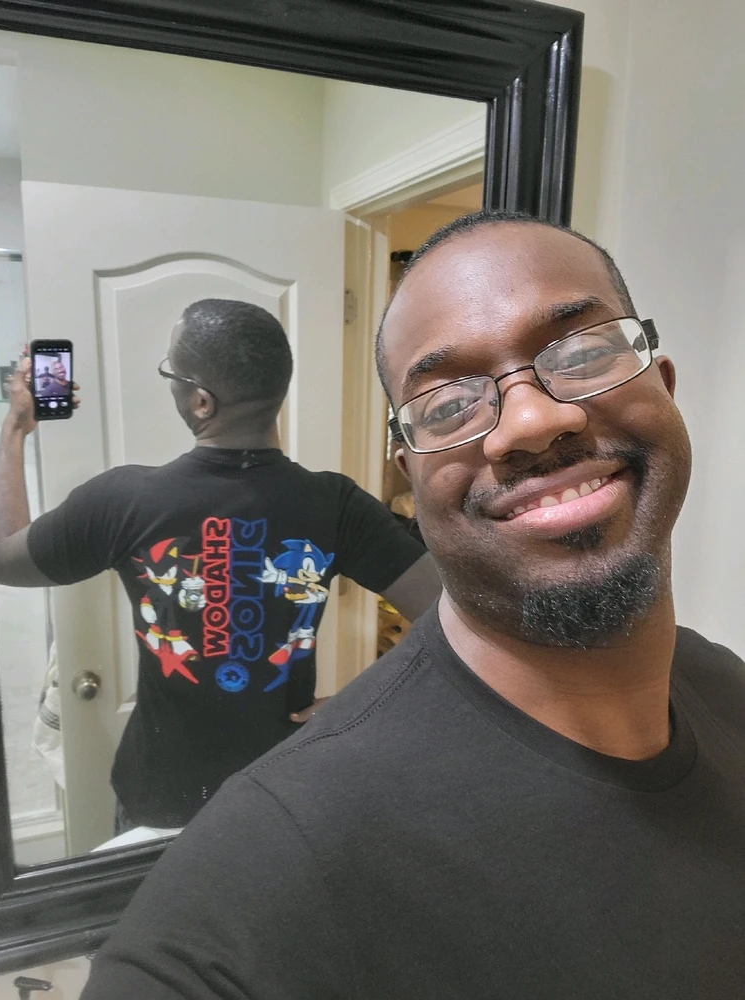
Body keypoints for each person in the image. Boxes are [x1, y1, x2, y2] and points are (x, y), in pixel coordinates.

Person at [80, 213, 745, 999]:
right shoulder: (268, 867)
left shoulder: (727, 690)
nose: (531, 420)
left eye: (584, 352)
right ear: (413, 473)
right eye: (447, 404)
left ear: (662, 386)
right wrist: (369, 710)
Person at [0, 299, 440, 832]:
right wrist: (366, 702)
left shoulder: (122, 500)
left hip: (164, 800)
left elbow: (4, 555)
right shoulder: (335, 503)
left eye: (170, 373)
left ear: (201, 401)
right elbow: (456, 619)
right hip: (281, 796)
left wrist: (15, 428)